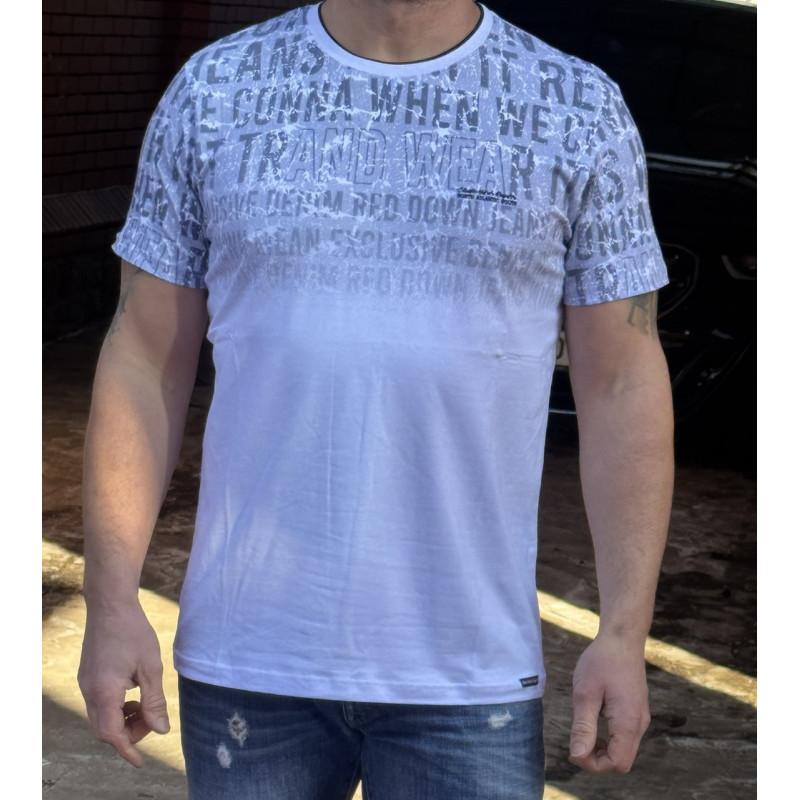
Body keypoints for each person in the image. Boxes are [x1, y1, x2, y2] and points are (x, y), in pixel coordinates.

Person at [77, 0, 674, 797]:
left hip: (471, 675)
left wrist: (625, 632)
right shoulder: (215, 90)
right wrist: (110, 601)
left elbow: (622, 384)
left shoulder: (576, 108)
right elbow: (142, 360)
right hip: (253, 658)